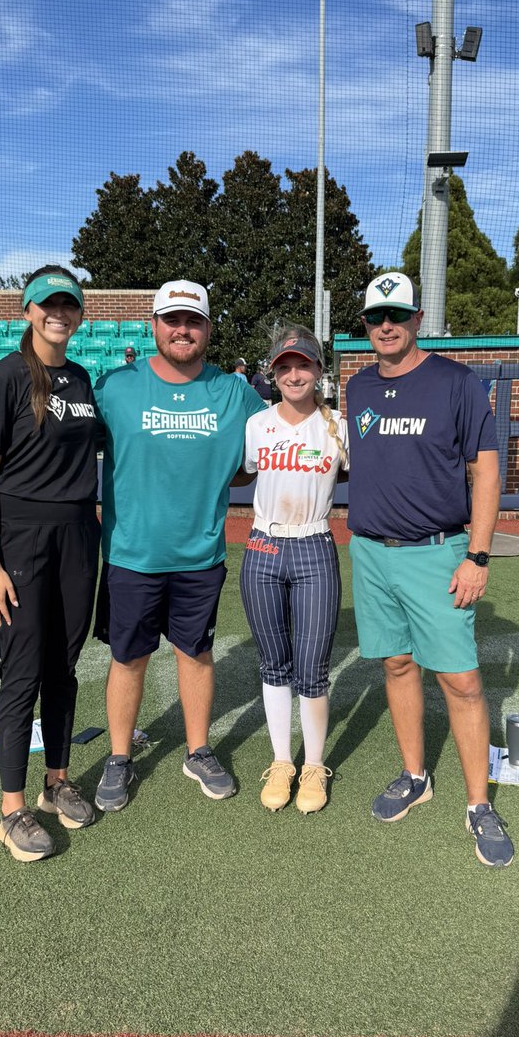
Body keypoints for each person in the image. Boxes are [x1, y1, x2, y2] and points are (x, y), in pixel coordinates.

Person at [344, 272, 513, 867]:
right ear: (363, 324)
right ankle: (416, 775)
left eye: (396, 314)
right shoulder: (357, 388)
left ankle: (478, 805)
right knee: (395, 664)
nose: (385, 326)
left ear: (417, 318)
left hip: (439, 552)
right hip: (370, 550)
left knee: (462, 681)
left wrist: (477, 555)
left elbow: (486, 473)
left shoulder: (457, 383)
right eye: (374, 317)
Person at [93, 280, 264, 812]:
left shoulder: (236, 392)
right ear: (154, 326)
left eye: (193, 320)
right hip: (131, 553)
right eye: (172, 319)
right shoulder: (115, 386)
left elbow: (271, 444)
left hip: (200, 554)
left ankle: (198, 750)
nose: (182, 329)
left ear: (208, 328)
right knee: (129, 657)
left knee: (196, 652)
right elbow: (60, 442)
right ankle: (120, 757)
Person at [0, 266, 101, 863]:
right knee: (21, 673)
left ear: (79, 313)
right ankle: (11, 810)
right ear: (28, 311)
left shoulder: (80, 377)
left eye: (68, 305)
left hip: (78, 536)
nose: (59, 314)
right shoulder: (0, 380)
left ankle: (56, 783)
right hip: (21, 540)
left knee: (63, 667)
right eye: (48, 304)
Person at [240, 325, 349, 814]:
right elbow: (240, 470)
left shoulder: (339, 427)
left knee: (313, 668)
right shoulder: (257, 426)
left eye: (303, 364)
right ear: (273, 373)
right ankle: (283, 760)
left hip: (314, 547)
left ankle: (314, 765)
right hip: (263, 548)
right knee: (273, 663)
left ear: (320, 371)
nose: (293, 374)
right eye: (284, 366)